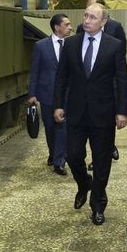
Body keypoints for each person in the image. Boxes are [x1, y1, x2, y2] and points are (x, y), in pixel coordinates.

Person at [53, 3, 127, 226]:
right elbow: (61, 77)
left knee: (102, 160)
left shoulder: (114, 45)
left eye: (92, 17)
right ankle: (84, 183)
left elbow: (122, 79)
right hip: (76, 111)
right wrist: (58, 105)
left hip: (103, 112)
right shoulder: (71, 44)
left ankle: (98, 204)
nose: (86, 20)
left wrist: (122, 111)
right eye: (85, 16)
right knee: (73, 155)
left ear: (103, 22)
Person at [27, 14, 71, 176]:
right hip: (46, 94)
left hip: (66, 94)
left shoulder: (72, 45)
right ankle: (54, 154)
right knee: (50, 127)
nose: (70, 27)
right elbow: (35, 71)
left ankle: (59, 161)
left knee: (63, 128)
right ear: (57, 27)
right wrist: (32, 94)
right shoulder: (40, 46)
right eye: (67, 24)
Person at [86, 0, 124, 162]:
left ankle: (108, 148)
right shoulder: (82, 29)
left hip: (109, 83)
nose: (89, 15)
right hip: (89, 86)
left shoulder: (115, 27)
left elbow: (120, 56)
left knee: (106, 122)